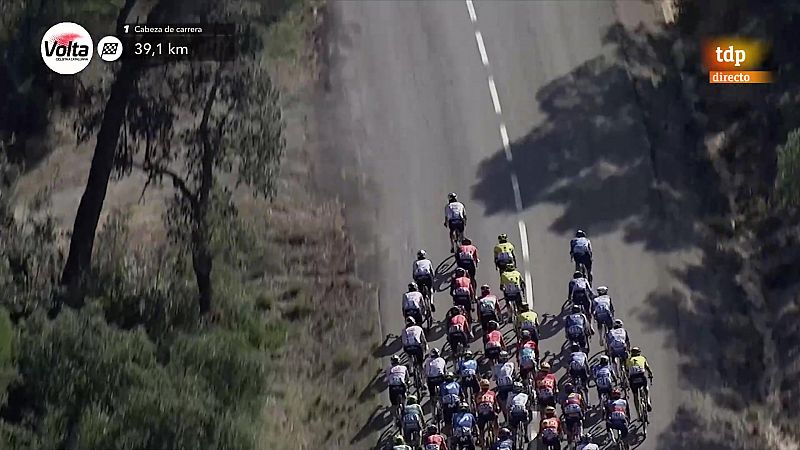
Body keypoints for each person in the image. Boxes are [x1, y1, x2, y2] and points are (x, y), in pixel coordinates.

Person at [624, 347, 654, 412]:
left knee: (635, 395)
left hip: (633, 378)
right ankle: (648, 401)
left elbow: (626, 370)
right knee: (646, 388)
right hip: (641, 376)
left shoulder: (629, 360)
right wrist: (650, 374)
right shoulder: (642, 358)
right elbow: (647, 368)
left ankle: (638, 414)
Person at [476, 379, 500, 446]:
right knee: (496, 418)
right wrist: (497, 409)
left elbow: (476, 406)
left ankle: (482, 441)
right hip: (490, 413)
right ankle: (496, 435)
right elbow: (496, 404)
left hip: (481, 415)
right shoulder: (492, 393)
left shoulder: (478, 394)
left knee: (481, 429)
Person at [493, 350, 516, 419]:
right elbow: (514, 374)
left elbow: (494, 378)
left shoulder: (496, 366)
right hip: (510, 386)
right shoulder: (511, 364)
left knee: (499, 399)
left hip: (502, 388)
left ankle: (505, 415)